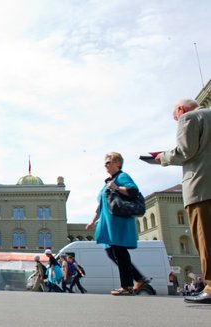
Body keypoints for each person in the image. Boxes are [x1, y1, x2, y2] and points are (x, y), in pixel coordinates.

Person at [155, 99, 211, 304]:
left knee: (205, 239)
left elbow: (185, 150)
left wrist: (161, 157)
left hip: (201, 186)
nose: (176, 120)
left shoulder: (189, 117)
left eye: (174, 117)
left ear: (180, 110)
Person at [86, 152, 150, 295]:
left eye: (108, 162)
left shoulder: (122, 177)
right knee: (111, 251)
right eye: (105, 162)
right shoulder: (108, 182)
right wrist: (92, 221)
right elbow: (101, 205)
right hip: (108, 221)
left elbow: (133, 191)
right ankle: (139, 278)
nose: (105, 164)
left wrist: (116, 187)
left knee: (119, 251)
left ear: (118, 163)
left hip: (118, 220)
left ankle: (127, 286)